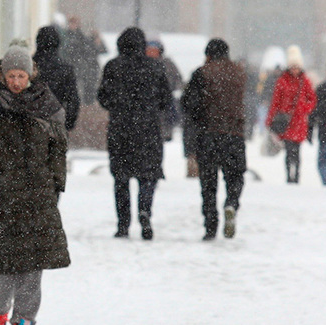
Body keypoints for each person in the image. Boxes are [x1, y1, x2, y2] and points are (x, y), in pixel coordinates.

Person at [0, 46, 70, 325]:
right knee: (2, 266)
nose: (16, 81)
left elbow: (58, 150)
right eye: (11, 75)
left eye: (21, 76)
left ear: (30, 75)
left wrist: (54, 185)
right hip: (2, 198)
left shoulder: (47, 105)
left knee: (32, 268)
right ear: (2, 74)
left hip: (38, 197)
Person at [97, 27, 173, 240]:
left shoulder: (113, 67)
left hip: (120, 129)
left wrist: (118, 105)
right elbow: (166, 100)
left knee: (121, 178)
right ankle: (145, 211)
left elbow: (102, 97)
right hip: (148, 129)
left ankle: (123, 224)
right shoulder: (155, 67)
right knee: (148, 176)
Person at [181, 39, 247, 240]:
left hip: (209, 134)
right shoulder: (239, 73)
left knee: (208, 183)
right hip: (235, 135)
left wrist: (199, 119)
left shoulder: (202, 72)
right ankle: (231, 203)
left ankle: (211, 225)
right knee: (235, 176)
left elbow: (188, 103)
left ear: (208, 54)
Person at [264, 46, 316, 184]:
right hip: (285, 121)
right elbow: (275, 102)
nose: (295, 70)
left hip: (299, 122)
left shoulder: (305, 81)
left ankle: (297, 176)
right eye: (292, 67)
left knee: (297, 151)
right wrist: (270, 120)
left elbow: (312, 99)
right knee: (288, 151)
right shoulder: (282, 81)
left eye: (297, 67)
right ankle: (289, 176)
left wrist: (304, 108)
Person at [32, 25, 80, 132]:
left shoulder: (28, 67)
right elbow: (73, 100)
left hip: (30, 127)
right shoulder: (65, 69)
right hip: (55, 125)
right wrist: (67, 123)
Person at [145, 39, 184, 141]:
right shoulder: (142, 65)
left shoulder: (168, 64)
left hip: (164, 103)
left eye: (154, 50)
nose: (152, 53)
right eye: (149, 50)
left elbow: (178, 80)